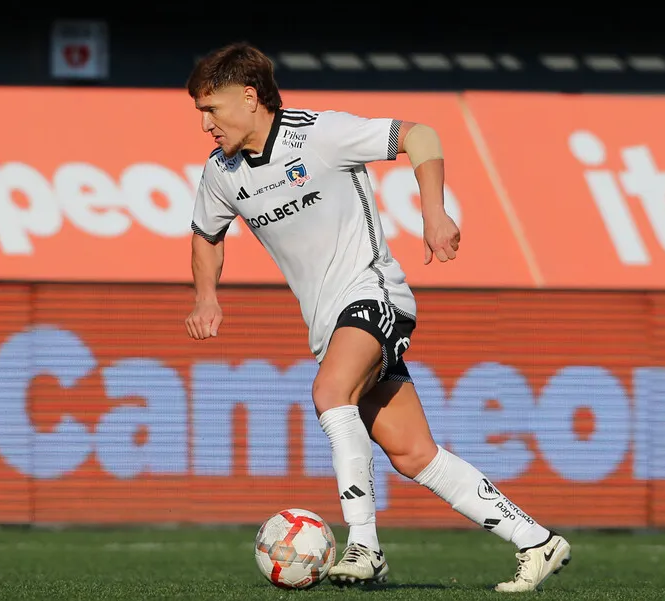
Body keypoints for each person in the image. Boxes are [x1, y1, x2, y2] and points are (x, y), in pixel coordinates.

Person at [183, 42, 571, 592]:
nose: (205, 123)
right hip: (328, 322)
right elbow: (206, 234)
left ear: (249, 98)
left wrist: (433, 212)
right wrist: (206, 296)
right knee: (413, 454)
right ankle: (537, 541)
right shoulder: (222, 172)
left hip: (374, 294)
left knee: (329, 394)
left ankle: (364, 547)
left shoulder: (319, 134)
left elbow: (421, 135)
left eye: (211, 108)